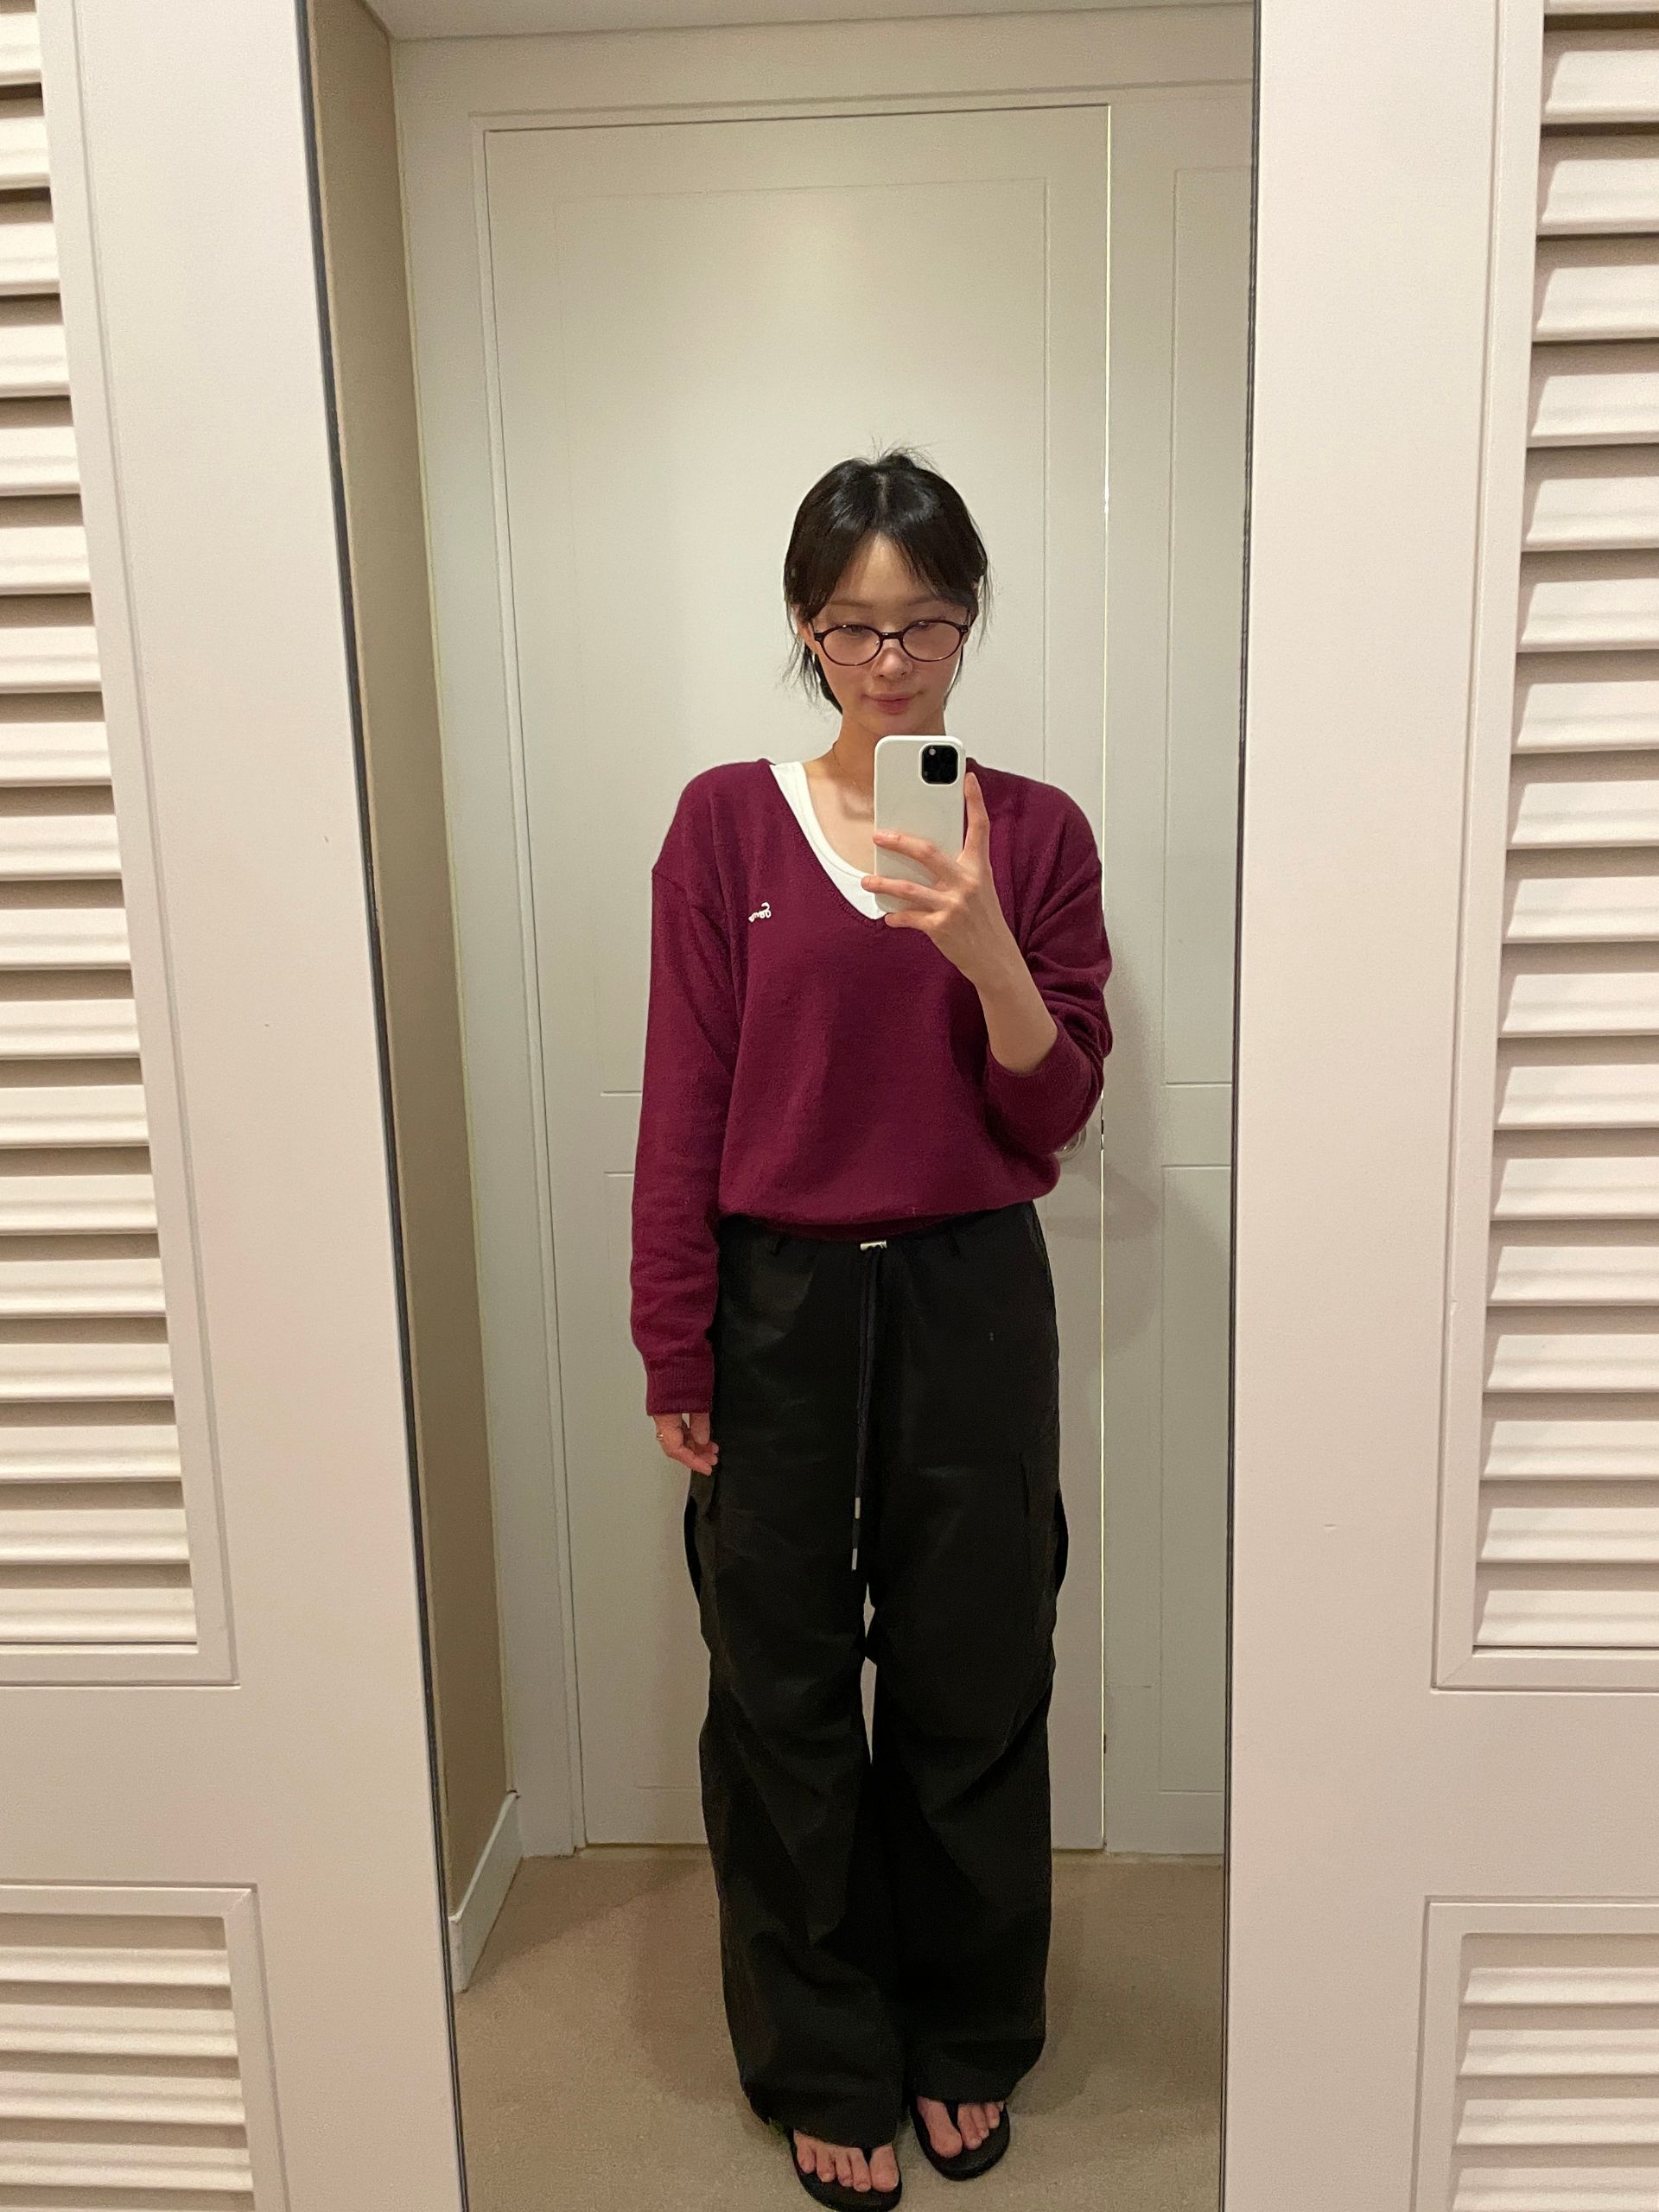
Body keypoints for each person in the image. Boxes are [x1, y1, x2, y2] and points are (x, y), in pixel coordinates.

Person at [629, 446, 1113, 2209]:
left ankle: (965, 2027)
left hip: (973, 1282)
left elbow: (1056, 1105)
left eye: (927, 626)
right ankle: (827, 2052)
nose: (891, 663)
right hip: (781, 1297)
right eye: (853, 627)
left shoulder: (1035, 833)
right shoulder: (724, 824)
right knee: (781, 1682)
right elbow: (686, 1100)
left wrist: (985, 947)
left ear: (972, 623)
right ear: (804, 629)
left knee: (976, 1666)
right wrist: (675, 1336)